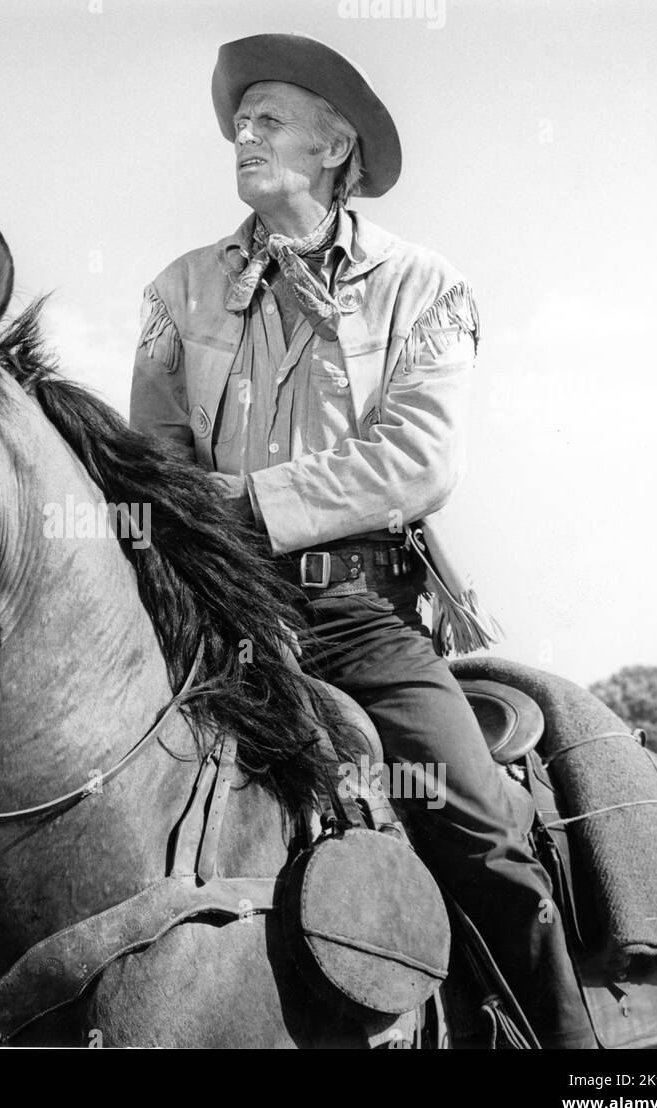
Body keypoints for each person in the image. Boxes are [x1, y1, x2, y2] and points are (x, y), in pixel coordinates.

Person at [129, 32, 595, 1048]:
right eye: (238, 120)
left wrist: (240, 501)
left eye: (267, 120)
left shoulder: (427, 288)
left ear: (335, 146)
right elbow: (150, 469)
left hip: (359, 614)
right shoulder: (175, 293)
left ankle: (579, 1062)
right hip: (205, 612)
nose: (240, 135)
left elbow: (416, 460)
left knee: (478, 825)